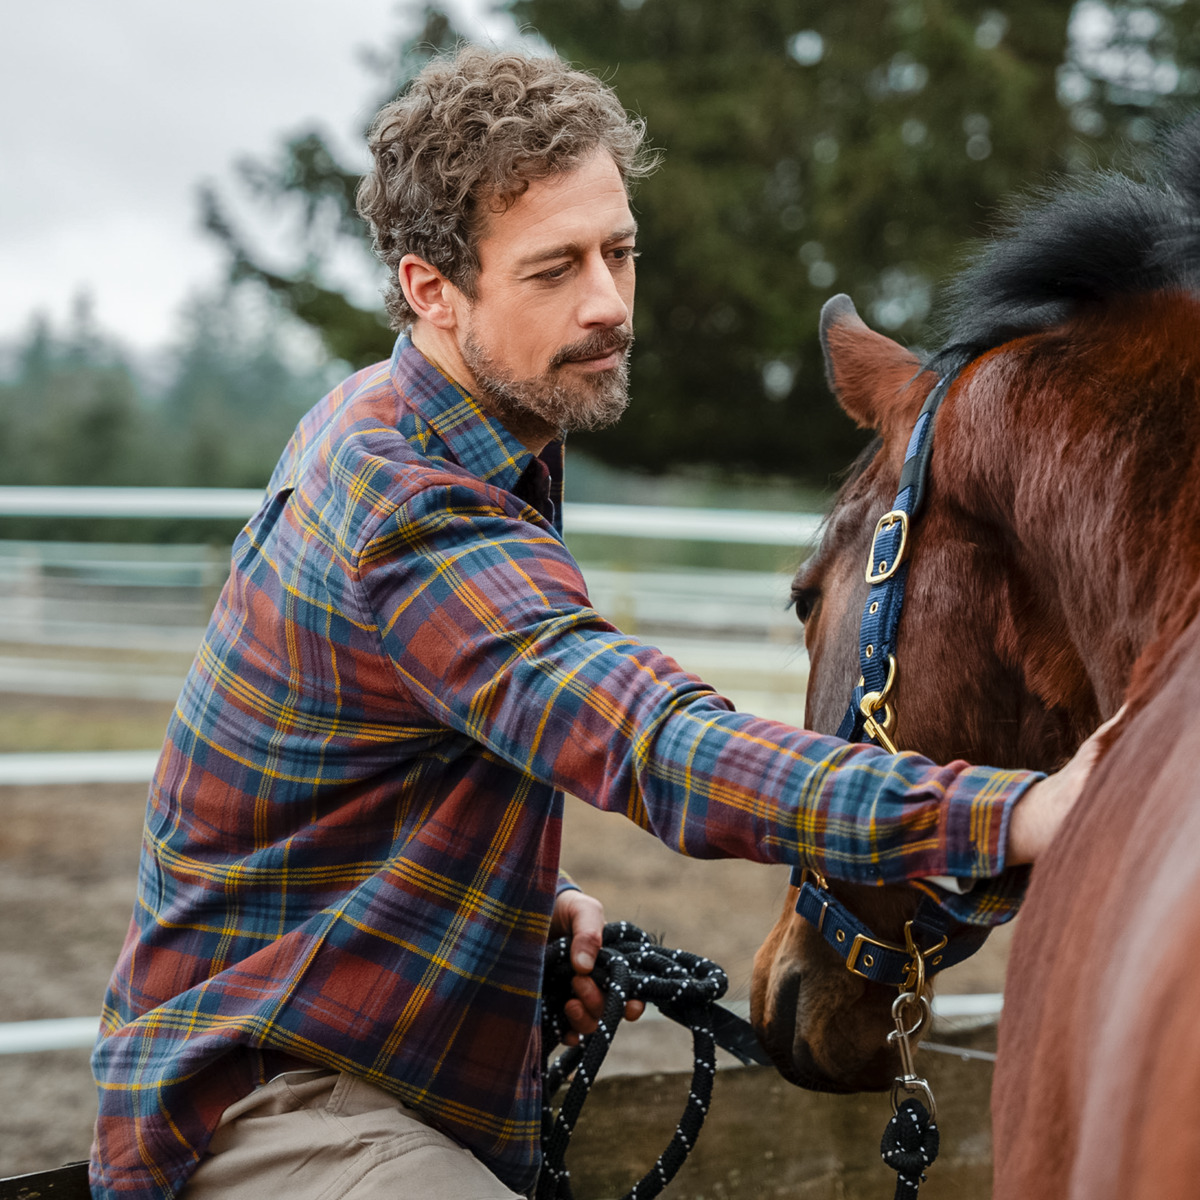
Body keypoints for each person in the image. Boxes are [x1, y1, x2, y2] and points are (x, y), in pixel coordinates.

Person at [89, 45, 1104, 1200]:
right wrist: (1018, 812)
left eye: (620, 251)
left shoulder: (451, 420)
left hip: (353, 1050)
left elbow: (387, 762)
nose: (609, 303)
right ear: (433, 288)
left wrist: (531, 902)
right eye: (554, 268)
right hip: (269, 1095)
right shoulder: (409, 505)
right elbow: (654, 742)